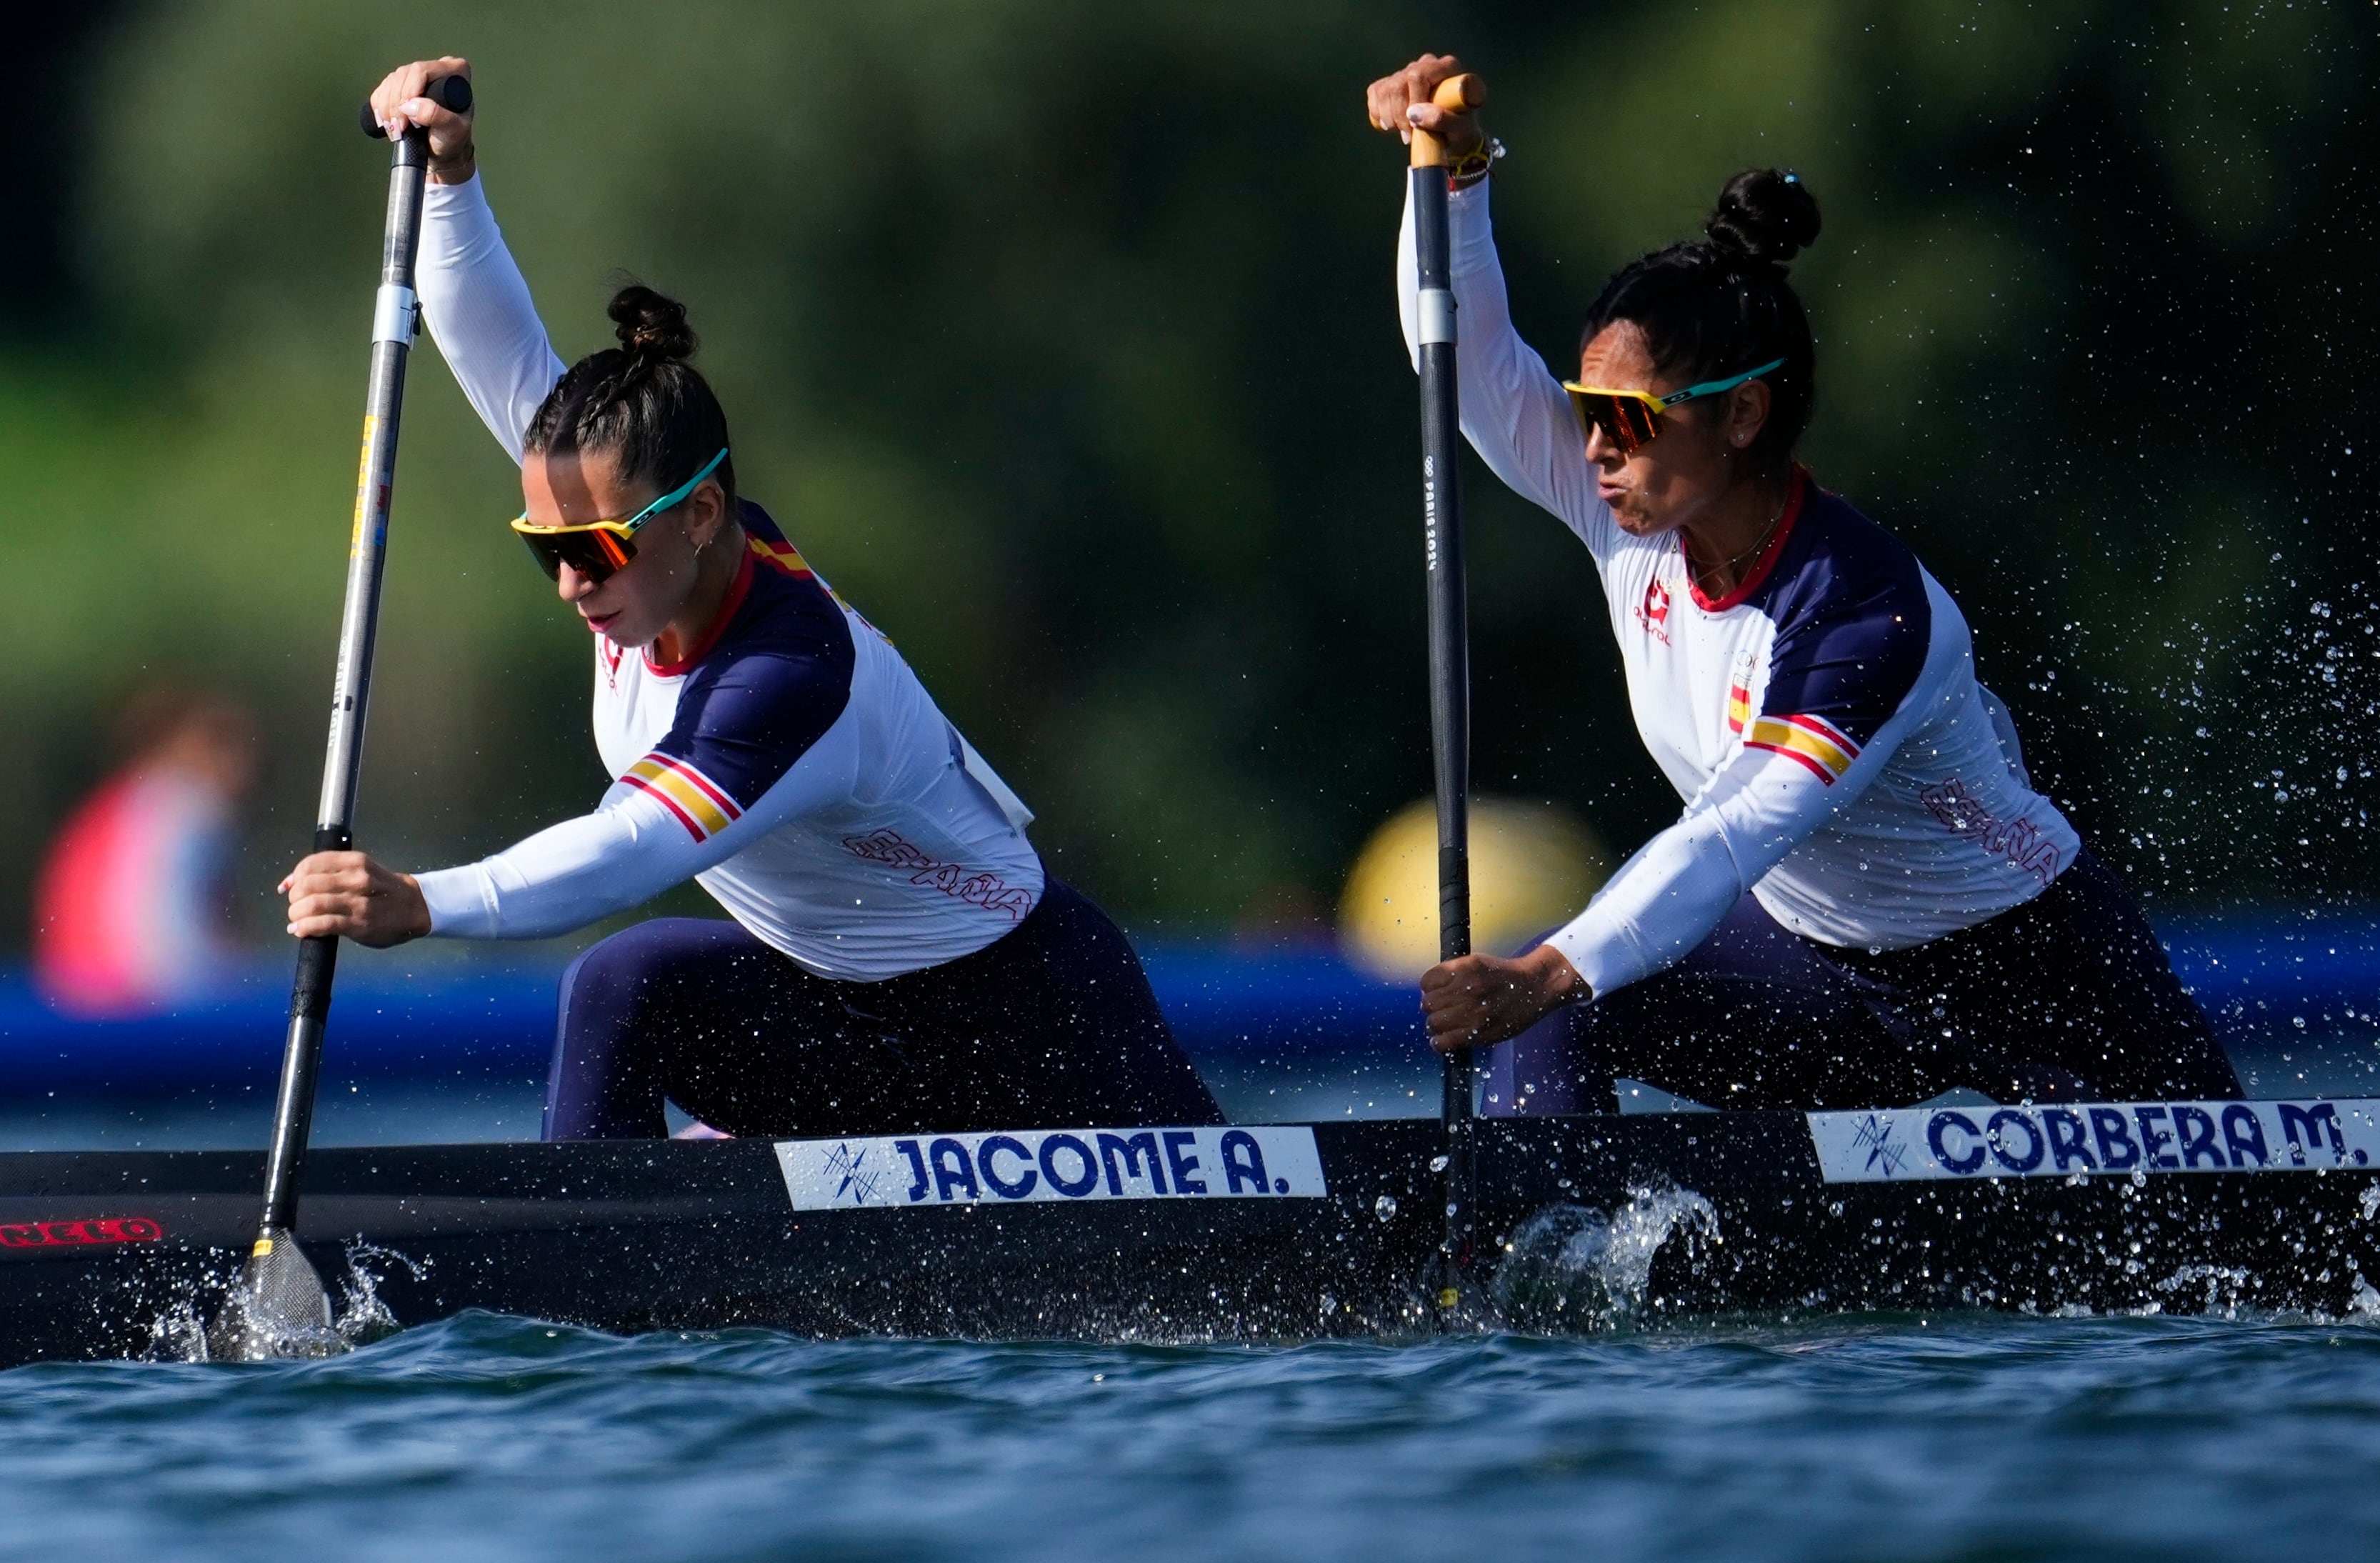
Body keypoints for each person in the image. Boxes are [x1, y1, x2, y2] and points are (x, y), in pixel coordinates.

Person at [279, 57, 1222, 1142]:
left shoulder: (786, 672)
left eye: (592, 549)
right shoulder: (644, 524)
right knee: (624, 985)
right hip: (834, 1014)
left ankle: (607, 1258)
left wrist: (426, 900)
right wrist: (451, 178)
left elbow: (634, 849)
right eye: (546, 551)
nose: (574, 581)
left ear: (700, 514)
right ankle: (600, 1275)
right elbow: (493, 348)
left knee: (620, 964)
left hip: (1028, 1028)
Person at [1366, 54, 2240, 1113]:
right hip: (1817, 975)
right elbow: (1466, 366)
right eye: (1590, 410)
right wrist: (1454, 182)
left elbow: (1730, 830)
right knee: (1564, 1011)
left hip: (2031, 973)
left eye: (1632, 417)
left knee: (1553, 975)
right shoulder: (1629, 507)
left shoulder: (1865, 609)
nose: (1597, 447)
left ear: (1743, 415)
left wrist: (1545, 970)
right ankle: (1544, 1259)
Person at [34, 688, 259, 1016]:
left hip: (74, 1008)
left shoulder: (115, 804)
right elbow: (169, 948)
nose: (246, 768)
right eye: (234, 749)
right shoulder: (189, 806)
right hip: (136, 1014)